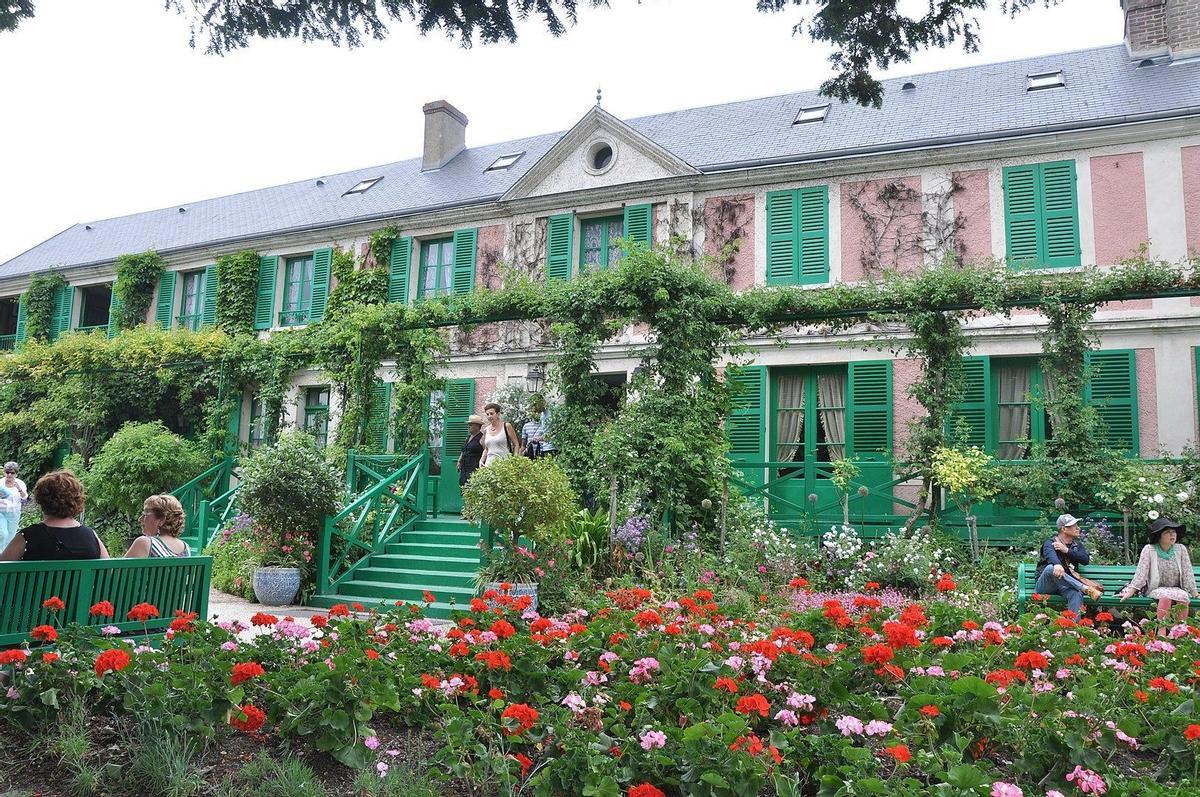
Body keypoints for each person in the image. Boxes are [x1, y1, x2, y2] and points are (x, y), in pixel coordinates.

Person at [0, 470, 109, 561]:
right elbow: (111, 573)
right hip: (84, 588)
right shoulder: (91, 536)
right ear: (76, 500)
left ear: (41, 500)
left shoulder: (27, 536)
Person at [1118, 517, 1198, 628]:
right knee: (1165, 596)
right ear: (1159, 535)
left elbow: (1187, 572)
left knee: (1183, 596)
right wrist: (1131, 591)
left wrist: (1195, 593)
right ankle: (1161, 632)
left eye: (1173, 532)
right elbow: (1141, 573)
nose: (1172, 535)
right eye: (1167, 532)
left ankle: (1180, 632)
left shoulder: (1181, 549)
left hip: (1177, 589)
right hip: (1155, 589)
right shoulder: (1149, 549)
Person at [1035, 513, 1102, 616]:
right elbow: (1050, 556)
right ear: (1064, 529)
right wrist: (1057, 564)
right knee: (1050, 568)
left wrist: (1066, 550)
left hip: (1065, 585)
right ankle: (1084, 588)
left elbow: (1085, 560)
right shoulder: (1050, 543)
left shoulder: (1077, 545)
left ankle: (1072, 629)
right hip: (1047, 585)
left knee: (1076, 594)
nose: (1078, 528)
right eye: (1074, 526)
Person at [124, 494, 191, 558]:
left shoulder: (145, 543)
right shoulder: (186, 547)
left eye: (145, 514)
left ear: (161, 520)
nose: (140, 519)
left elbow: (118, 570)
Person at [479, 402, 521, 467]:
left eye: (491, 414)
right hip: (488, 466)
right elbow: (487, 449)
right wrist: (481, 460)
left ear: (498, 414)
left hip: (504, 465)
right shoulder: (486, 430)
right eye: (487, 414)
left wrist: (515, 459)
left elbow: (516, 444)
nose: (489, 416)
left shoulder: (506, 426)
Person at [0, 462, 27, 551]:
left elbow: (25, 497)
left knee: (10, 537)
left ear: (16, 473)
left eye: (12, 473)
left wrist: (19, 489)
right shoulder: (0, 483)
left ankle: (6, 557)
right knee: (3, 533)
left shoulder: (20, 483)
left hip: (14, 513)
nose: (9, 475)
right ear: (4, 472)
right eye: (7, 472)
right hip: (1, 512)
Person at [457, 415, 486, 486]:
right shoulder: (468, 438)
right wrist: (459, 460)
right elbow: (464, 450)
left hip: (475, 470)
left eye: (470, 424)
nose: (468, 426)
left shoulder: (482, 438)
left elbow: (486, 451)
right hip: (464, 470)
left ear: (477, 426)